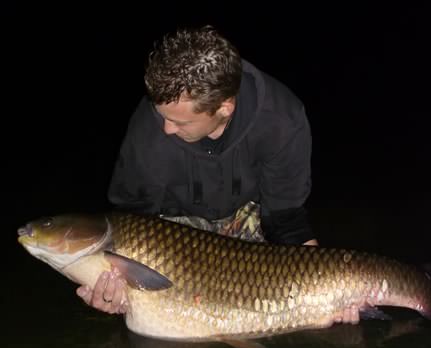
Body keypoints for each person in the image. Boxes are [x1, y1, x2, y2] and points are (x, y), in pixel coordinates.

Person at [77, 25, 319, 316]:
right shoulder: (148, 128)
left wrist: (323, 286)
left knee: (297, 316)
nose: (166, 129)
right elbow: (132, 218)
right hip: (176, 233)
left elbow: (285, 218)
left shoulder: (281, 120)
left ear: (224, 108)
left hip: (250, 221)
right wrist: (118, 285)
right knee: (156, 340)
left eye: (180, 123)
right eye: (162, 115)